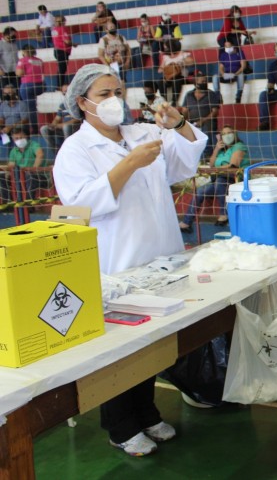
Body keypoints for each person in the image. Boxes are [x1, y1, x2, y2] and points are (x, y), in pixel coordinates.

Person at [53, 64, 206, 457]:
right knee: (121, 350)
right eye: (104, 94)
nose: (114, 100)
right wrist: (129, 164)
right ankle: (120, 425)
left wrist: (179, 123)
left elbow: (185, 162)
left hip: (161, 254)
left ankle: (146, 410)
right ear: (82, 103)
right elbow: (81, 206)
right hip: (117, 262)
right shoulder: (75, 150)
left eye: (117, 91)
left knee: (151, 344)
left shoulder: (142, 132)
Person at [179, 124, 249, 232]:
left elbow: (233, 165)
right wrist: (216, 149)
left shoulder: (239, 146)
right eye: (223, 134)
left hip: (236, 179)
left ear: (234, 134)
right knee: (200, 191)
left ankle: (224, 214)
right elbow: (211, 165)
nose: (226, 136)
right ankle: (187, 222)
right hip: (219, 178)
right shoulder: (221, 150)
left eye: (229, 133)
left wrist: (216, 169)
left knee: (220, 182)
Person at [181, 71, 221, 159]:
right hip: (192, 122)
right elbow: (185, 110)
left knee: (208, 126)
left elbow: (215, 112)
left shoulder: (211, 94)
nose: (204, 83)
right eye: (202, 82)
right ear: (196, 83)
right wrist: (185, 121)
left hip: (207, 121)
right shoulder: (189, 95)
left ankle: (207, 155)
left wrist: (203, 120)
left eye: (205, 81)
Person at [1, 126, 47, 202]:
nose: (19, 140)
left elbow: (40, 155)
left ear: (26, 136)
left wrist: (33, 169)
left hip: (39, 176)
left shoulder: (34, 145)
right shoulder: (13, 151)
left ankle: (28, 204)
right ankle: (7, 203)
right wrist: (4, 169)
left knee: (29, 176)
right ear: (13, 139)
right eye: (16, 138)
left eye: (21, 137)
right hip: (20, 177)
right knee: (2, 177)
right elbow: (11, 166)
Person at [40, 82, 80, 150]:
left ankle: (68, 150)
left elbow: (79, 118)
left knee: (66, 127)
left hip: (76, 128)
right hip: (64, 128)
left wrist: (63, 124)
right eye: (64, 92)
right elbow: (57, 119)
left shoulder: (78, 103)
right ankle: (56, 151)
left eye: (67, 91)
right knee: (44, 129)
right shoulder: (62, 105)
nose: (66, 93)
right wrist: (53, 125)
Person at [16, 45, 45, 127]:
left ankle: (33, 128)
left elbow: (19, 73)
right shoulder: (39, 60)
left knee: (29, 108)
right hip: (40, 85)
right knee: (32, 106)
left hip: (27, 85)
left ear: (24, 52)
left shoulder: (23, 60)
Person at [159, 39, 194, 105]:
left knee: (176, 80)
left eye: (166, 47)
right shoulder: (166, 57)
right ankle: (163, 100)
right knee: (160, 81)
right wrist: (167, 68)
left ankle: (174, 102)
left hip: (181, 77)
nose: (165, 49)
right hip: (169, 77)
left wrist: (180, 64)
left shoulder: (182, 54)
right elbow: (160, 70)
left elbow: (192, 62)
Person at [52, 15, 75, 88]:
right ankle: (59, 86)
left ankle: (59, 85)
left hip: (56, 50)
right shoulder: (62, 29)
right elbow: (67, 41)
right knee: (62, 69)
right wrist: (74, 44)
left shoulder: (54, 29)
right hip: (62, 50)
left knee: (60, 68)